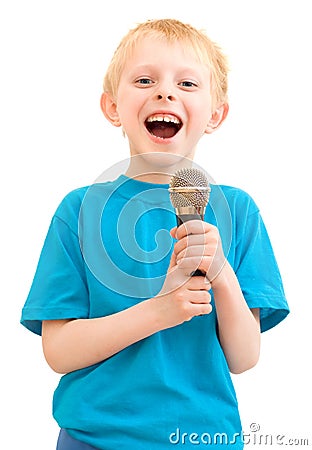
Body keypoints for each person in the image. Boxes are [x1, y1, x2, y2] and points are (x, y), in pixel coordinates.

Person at [21, 18, 289, 449]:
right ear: (112, 107)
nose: (165, 92)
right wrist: (159, 311)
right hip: (93, 439)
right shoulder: (79, 211)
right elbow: (58, 352)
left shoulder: (238, 211)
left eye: (187, 83)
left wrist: (220, 274)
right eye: (145, 79)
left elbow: (244, 357)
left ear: (216, 114)